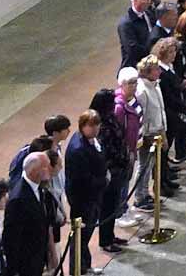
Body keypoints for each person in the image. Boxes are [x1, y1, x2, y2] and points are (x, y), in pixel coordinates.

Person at [63, 112, 107, 274]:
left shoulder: (92, 141)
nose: (96, 129)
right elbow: (83, 180)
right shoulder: (78, 149)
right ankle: (77, 269)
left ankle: (85, 266)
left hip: (94, 196)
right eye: (91, 126)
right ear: (83, 126)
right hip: (83, 199)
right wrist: (104, 180)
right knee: (80, 236)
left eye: (97, 125)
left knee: (85, 236)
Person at [1, 152, 52, 276]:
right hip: (25, 264)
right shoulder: (18, 199)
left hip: (37, 259)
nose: (50, 169)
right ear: (35, 171)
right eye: (46, 166)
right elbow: (11, 239)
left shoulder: (38, 188)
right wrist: (15, 270)